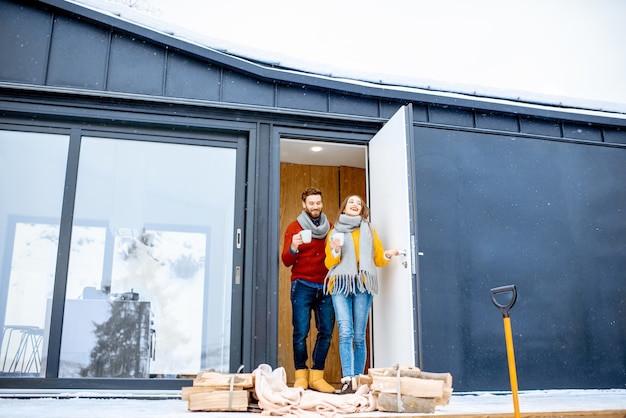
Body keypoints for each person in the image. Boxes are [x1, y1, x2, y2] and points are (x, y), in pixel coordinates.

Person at [324, 194, 400, 394]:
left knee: (358, 336)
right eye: (351, 202)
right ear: (344, 208)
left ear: (363, 208)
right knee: (346, 332)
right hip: (340, 284)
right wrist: (335, 250)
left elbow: (377, 258)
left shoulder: (369, 229)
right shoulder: (335, 231)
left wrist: (388, 255)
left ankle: (359, 380)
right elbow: (328, 264)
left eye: (359, 203)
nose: (355, 205)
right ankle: (348, 380)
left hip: (363, 285)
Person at [281, 187, 336, 393]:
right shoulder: (294, 227)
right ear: (304, 204)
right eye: (311, 203)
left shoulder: (330, 227)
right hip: (302, 285)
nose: (315, 206)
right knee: (300, 332)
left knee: (326, 332)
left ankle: (317, 375)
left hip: (325, 286)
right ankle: (301, 375)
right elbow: (286, 261)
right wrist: (294, 247)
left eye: (318, 203)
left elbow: (335, 257)